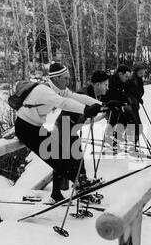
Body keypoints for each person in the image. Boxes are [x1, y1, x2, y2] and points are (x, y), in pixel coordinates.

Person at [15, 62, 103, 195]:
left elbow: (75, 97)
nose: (68, 81)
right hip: (25, 128)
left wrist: (101, 105)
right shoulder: (43, 90)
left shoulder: (58, 88)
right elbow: (63, 103)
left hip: (36, 126)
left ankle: (63, 190)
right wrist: (86, 110)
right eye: (65, 78)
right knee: (57, 156)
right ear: (55, 78)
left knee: (61, 154)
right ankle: (79, 182)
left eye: (68, 78)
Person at [50, 70, 110, 202]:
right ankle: (59, 193)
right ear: (98, 84)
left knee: (76, 161)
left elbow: (83, 119)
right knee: (65, 160)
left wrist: (101, 116)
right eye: (106, 84)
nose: (107, 87)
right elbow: (78, 111)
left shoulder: (93, 95)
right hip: (64, 126)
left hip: (71, 127)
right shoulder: (84, 94)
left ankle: (81, 191)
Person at [103, 65, 132, 149]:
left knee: (126, 115)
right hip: (108, 104)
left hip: (117, 104)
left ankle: (116, 137)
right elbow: (109, 95)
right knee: (114, 115)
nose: (127, 79)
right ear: (120, 74)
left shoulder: (122, 82)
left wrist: (127, 99)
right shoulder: (111, 81)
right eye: (126, 76)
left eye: (128, 77)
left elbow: (122, 94)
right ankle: (108, 138)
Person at [126, 62, 146, 151]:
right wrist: (130, 99)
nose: (142, 73)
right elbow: (126, 92)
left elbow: (139, 92)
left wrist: (139, 98)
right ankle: (131, 146)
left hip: (135, 106)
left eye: (143, 71)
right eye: (140, 71)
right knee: (135, 126)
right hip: (130, 107)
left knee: (136, 126)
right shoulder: (130, 80)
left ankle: (132, 145)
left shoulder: (139, 79)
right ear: (136, 71)